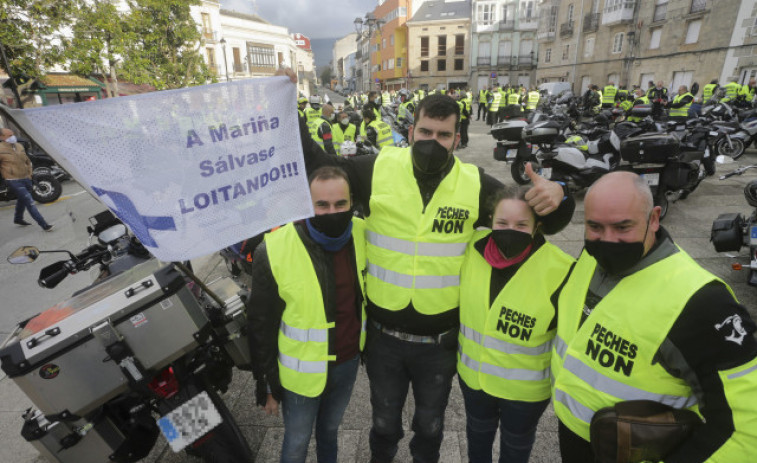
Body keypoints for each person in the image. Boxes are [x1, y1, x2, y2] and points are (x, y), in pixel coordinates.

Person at [284, 71, 574, 460]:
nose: (432, 142)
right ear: (411, 130)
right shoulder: (377, 168)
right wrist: (290, 110)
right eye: (425, 132)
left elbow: (532, 218)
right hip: (384, 338)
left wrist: (560, 196)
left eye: (442, 135)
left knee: (430, 425)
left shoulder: (475, 184)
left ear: (457, 138)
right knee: (384, 423)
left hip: (440, 341)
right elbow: (318, 167)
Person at [551, 171, 757, 463]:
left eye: (623, 227)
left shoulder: (702, 303)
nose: (607, 240)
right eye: (594, 226)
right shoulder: (590, 258)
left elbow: (747, 428)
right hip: (575, 436)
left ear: (654, 218)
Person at [247, 166, 366, 463]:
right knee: (297, 441)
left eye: (341, 204)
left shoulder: (363, 235)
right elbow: (261, 324)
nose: (332, 212)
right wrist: (267, 383)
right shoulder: (274, 249)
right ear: (306, 205)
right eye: (321, 205)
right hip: (300, 374)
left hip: (347, 362)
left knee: (330, 432)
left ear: (352, 203)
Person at [457, 186, 574, 463]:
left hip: (524, 395)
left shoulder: (562, 268)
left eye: (522, 224)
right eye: (502, 223)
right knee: (477, 442)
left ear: (537, 227)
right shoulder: (470, 249)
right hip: (475, 382)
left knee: (516, 450)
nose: (510, 230)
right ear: (490, 220)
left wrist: (563, 192)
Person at [0, 128, 53, 231]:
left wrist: (29, 174)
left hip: (26, 178)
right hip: (13, 180)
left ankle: (18, 218)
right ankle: (44, 225)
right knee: (29, 201)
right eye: (9, 135)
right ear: (1, 137)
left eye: (13, 134)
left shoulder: (19, 146)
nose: (12, 137)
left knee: (22, 199)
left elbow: (27, 161)